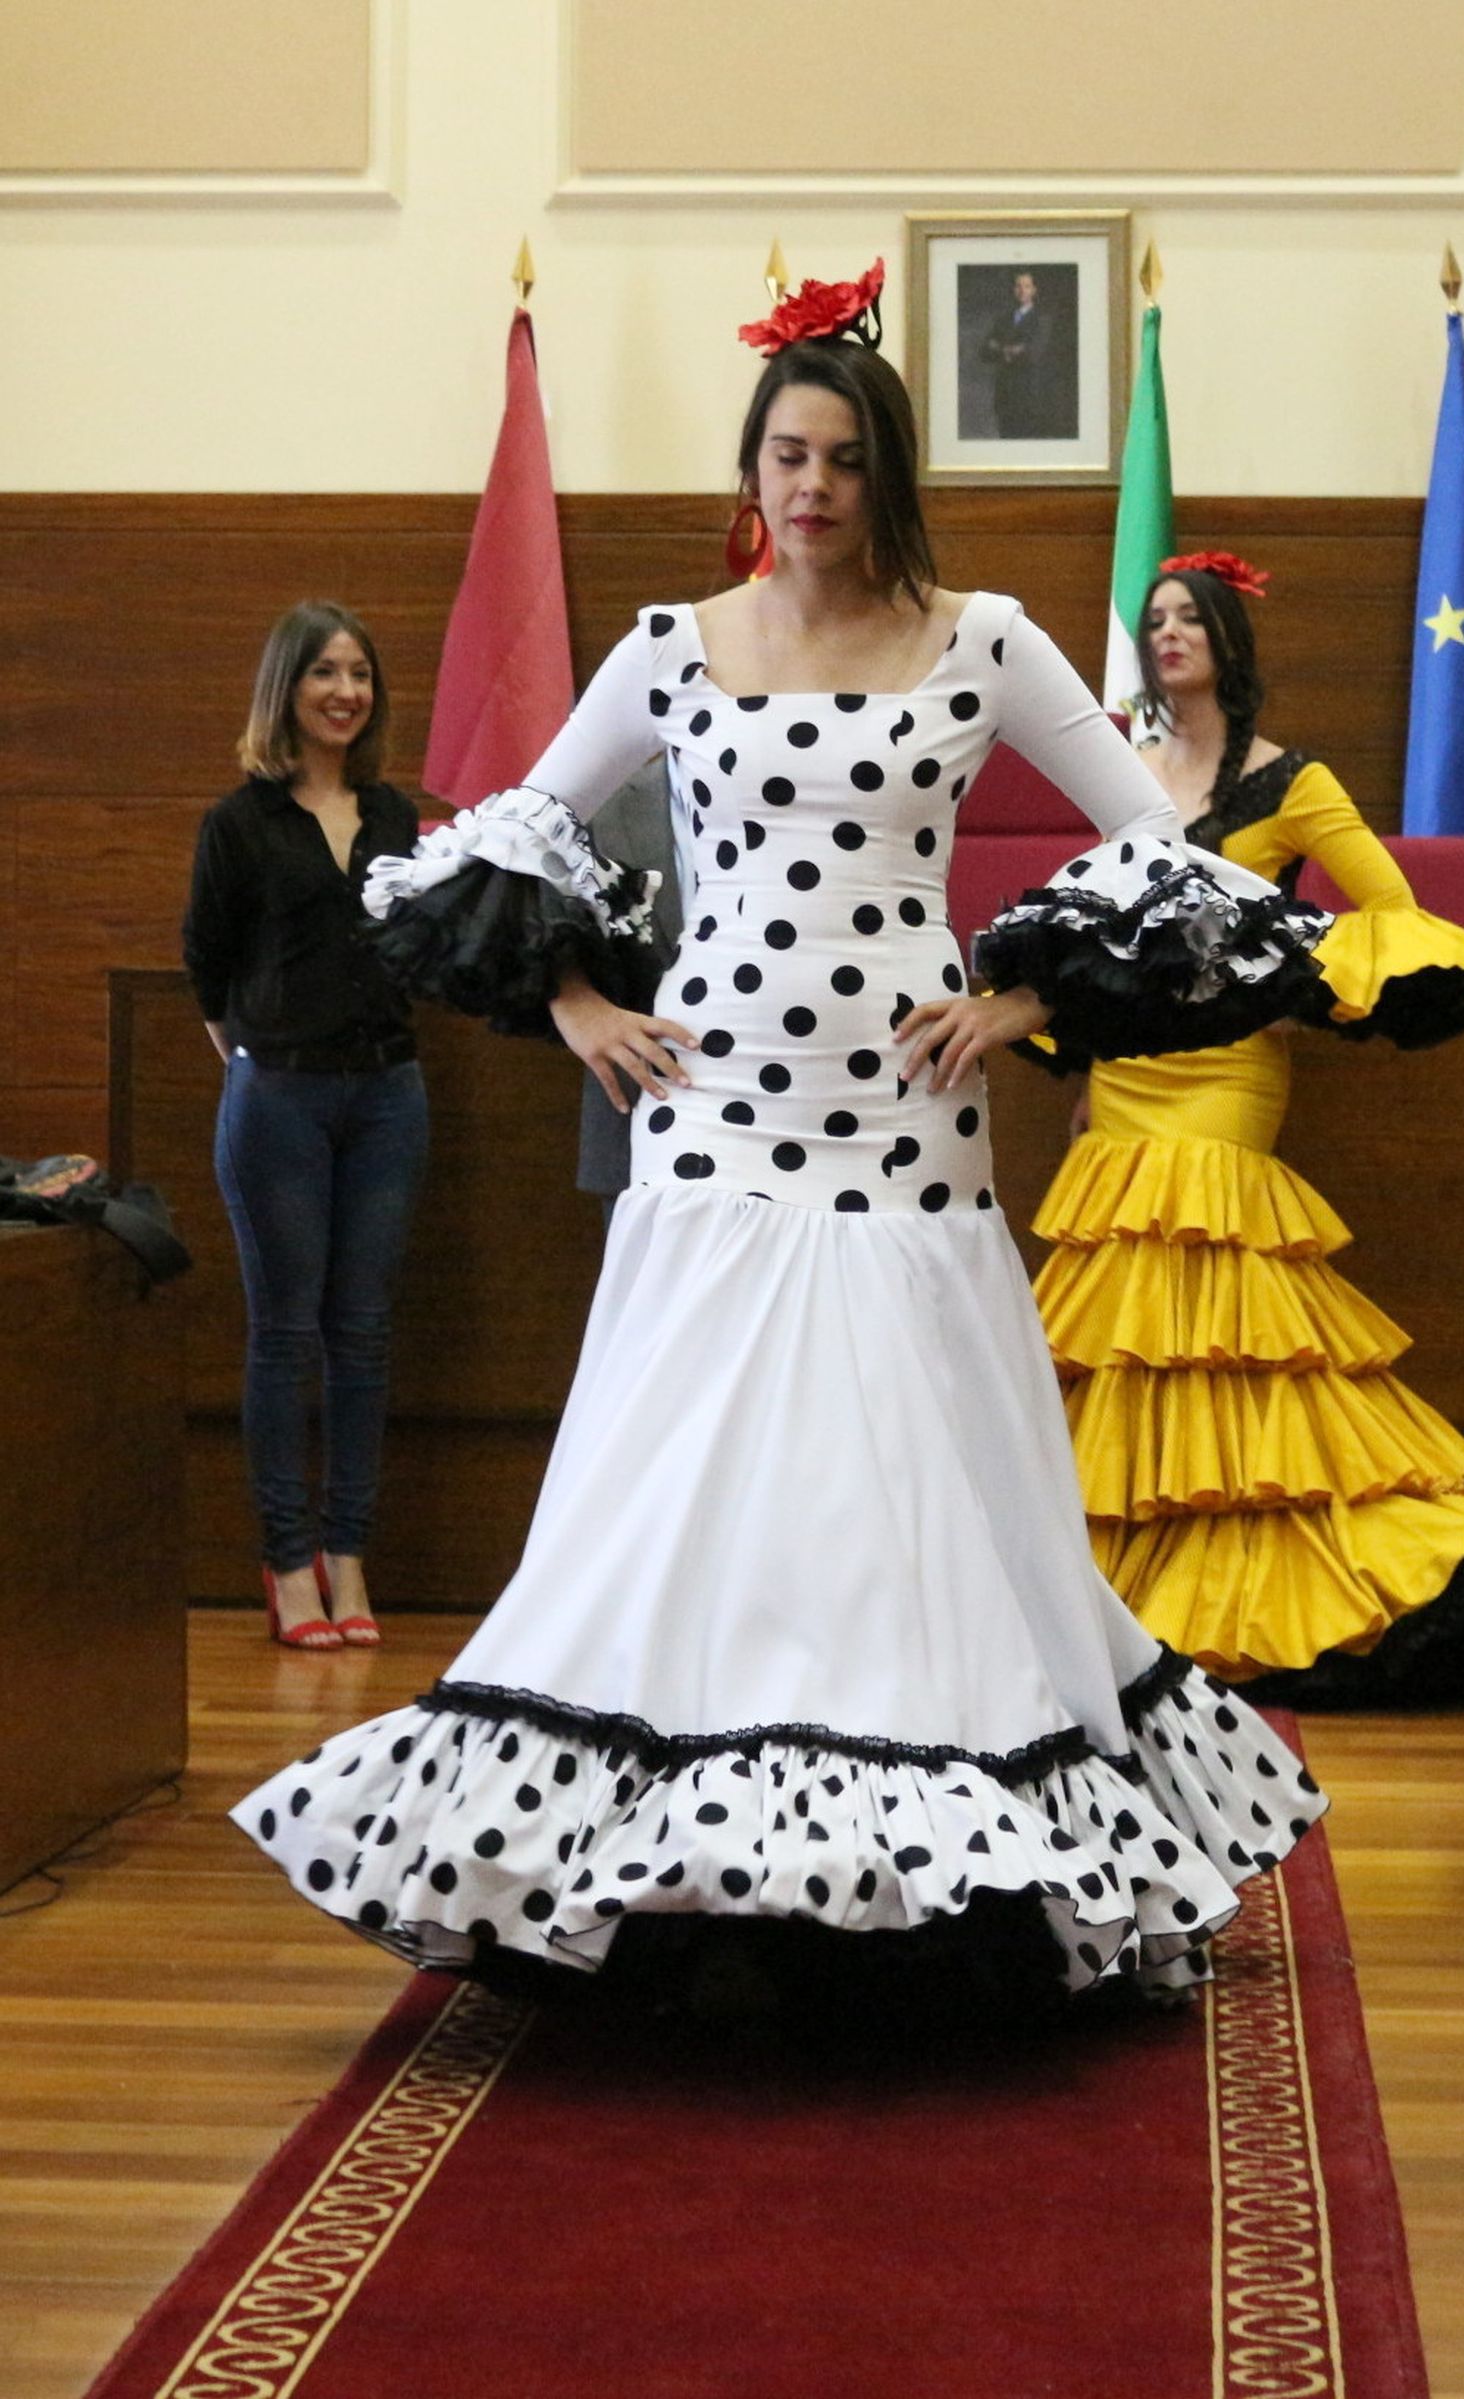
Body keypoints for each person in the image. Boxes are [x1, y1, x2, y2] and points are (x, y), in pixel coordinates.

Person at [231, 272, 1331, 2008]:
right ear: (755, 470)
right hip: (715, 1112)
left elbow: (1164, 841)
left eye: (836, 459)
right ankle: (676, 1868)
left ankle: (948, 1877)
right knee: (691, 1466)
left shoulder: (986, 637)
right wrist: (581, 1005)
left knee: (912, 1475)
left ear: (887, 472)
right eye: (782, 456)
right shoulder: (671, 641)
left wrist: (1025, 1003)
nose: (807, 487)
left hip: (907, 1122)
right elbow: (505, 827)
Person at [1028, 554, 1464, 1707]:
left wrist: (1271, 957)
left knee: (1231, 1317)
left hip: (1229, 1075)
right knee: (1127, 1322)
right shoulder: (1121, 775)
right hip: (1125, 1080)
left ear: (1230, 642)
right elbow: (1093, 930)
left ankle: (1282, 1566)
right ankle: (1126, 1581)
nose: (1169, 632)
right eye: (1156, 619)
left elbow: (1386, 907)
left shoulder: (1292, 780)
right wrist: (1082, 1059)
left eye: (1189, 618)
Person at [183, 602, 429, 1650]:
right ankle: (288, 1563)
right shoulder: (237, 823)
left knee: (362, 1334)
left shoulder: (396, 817)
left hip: (386, 1097)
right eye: (324, 672)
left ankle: (350, 1552)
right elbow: (207, 965)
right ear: (286, 688)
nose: (345, 690)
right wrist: (261, 1058)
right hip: (277, 1096)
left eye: (359, 673)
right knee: (284, 1336)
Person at [576, 758, 685, 1225]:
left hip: (806, 1130)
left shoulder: (825, 794)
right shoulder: (604, 796)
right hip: (641, 1117)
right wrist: (573, 999)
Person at [979, 270, 1057, 440]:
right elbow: (984, 351)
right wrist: (1012, 350)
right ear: (1014, 290)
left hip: (1029, 395)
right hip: (1005, 395)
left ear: (1034, 290)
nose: (1022, 291)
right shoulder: (1003, 319)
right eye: (1018, 286)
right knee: (1006, 440)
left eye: (1027, 286)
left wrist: (1000, 348)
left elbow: (1033, 353)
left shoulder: (1042, 320)